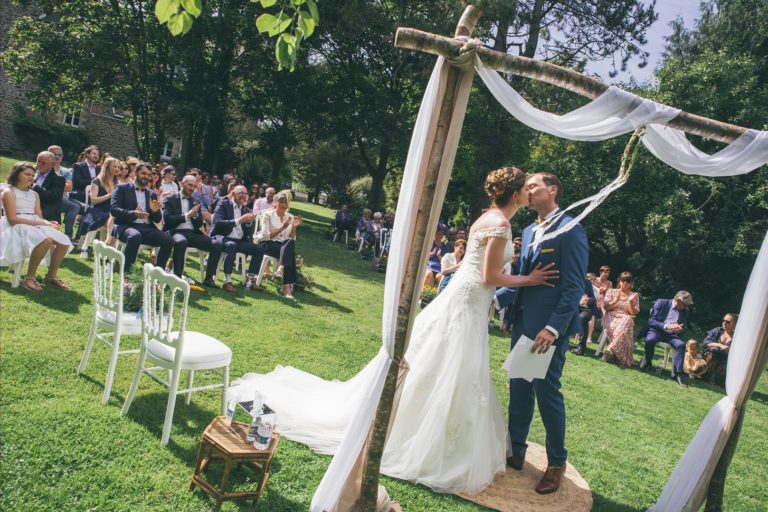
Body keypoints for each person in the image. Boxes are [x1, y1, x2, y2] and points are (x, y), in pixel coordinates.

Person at [231, 166, 558, 495]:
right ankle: (418, 436)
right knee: (450, 366)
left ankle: (426, 427)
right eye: (525, 189)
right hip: (469, 301)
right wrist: (529, 280)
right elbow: (488, 276)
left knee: (444, 367)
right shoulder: (500, 223)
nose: (529, 194)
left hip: (467, 301)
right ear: (515, 194)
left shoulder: (487, 218)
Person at [498, 172, 587, 495]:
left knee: (547, 394)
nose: (527, 191)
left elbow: (574, 286)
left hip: (547, 330)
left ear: (553, 189)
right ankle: (516, 452)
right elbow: (525, 275)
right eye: (526, 187)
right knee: (519, 389)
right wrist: (508, 310)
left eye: (532, 186)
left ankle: (556, 464)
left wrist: (553, 328)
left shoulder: (571, 230)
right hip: (523, 323)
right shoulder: (529, 229)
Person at [1, 162, 73, 291]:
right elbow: (12, 219)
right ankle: (29, 277)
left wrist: (49, 222)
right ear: (17, 174)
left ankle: (51, 276)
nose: (30, 177)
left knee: (63, 241)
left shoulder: (34, 194)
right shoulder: (9, 192)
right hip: (16, 226)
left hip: (34, 223)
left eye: (33, 175)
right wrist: (43, 223)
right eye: (27, 174)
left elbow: (38, 217)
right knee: (46, 240)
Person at [110, 163, 173, 274]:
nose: (147, 177)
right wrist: (134, 214)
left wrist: (155, 210)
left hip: (146, 228)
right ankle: (126, 274)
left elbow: (157, 219)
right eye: (144, 173)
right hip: (125, 225)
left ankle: (159, 274)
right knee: (135, 236)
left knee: (168, 240)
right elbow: (114, 210)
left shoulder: (152, 194)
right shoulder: (122, 188)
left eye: (149, 175)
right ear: (135, 173)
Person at [163, 175, 223, 287]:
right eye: (190, 185)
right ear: (182, 184)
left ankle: (209, 278)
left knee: (217, 244)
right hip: (176, 231)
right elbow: (168, 220)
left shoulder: (196, 201)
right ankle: (177, 277)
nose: (192, 188)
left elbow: (199, 224)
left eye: (194, 186)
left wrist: (195, 217)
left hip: (193, 233)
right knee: (181, 242)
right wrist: (188, 215)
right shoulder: (170, 199)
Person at [210, 185, 264, 293]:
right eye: (240, 193)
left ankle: (251, 279)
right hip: (223, 237)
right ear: (233, 194)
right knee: (232, 245)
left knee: (259, 249)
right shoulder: (223, 204)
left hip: (239, 240)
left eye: (245, 193)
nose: (243, 195)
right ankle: (227, 281)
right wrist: (239, 220)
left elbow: (248, 232)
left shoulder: (245, 209)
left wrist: (248, 223)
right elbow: (218, 222)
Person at [642, 290, 694, 387]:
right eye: (685, 305)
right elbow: (651, 321)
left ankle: (677, 375)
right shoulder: (661, 302)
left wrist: (680, 329)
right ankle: (648, 364)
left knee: (681, 345)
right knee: (650, 340)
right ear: (678, 301)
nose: (686, 307)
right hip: (657, 330)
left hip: (672, 335)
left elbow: (684, 326)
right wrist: (666, 326)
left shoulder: (685, 311)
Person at [258, 190, 302, 298]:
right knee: (290, 252)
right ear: (276, 202)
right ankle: (286, 287)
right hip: (268, 244)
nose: (283, 204)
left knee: (290, 243)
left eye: (285, 202)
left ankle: (280, 269)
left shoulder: (291, 216)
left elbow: (292, 239)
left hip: (283, 247)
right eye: (281, 202)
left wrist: (294, 229)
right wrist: (282, 227)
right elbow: (265, 236)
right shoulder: (267, 215)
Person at [76, 156, 121, 240]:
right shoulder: (97, 181)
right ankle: (107, 245)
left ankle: (109, 246)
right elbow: (93, 200)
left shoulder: (118, 183)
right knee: (115, 223)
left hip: (112, 211)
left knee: (119, 220)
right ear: (107, 167)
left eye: (118, 167)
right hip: (97, 210)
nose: (117, 169)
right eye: (114, 166)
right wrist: (109, 195)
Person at [601, 272, 640, 366]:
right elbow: (606, 308)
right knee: (628, 327)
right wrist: (616, 301)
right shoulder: (611, 291)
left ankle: (610, 349)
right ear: (619, 281)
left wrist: (630, 302)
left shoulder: (634, 295)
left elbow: (633, 313)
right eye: (623, 280)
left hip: (625, 318)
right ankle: (618, 356)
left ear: (631, 283)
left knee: (628, 320)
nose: (625, 283)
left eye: (628, 281)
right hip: (611, 317)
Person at [49, 145, 82, 240]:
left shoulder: (66, 171)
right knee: (74, 207)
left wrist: (55, 182)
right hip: (50, 197)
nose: (57, 157)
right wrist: (61, 182)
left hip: (63, 197)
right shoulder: (45, 168)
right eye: (54, 155)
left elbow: (69, 188)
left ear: (62, 156)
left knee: (81, 207)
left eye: (59, 155)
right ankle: (68, 235)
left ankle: (74, 236)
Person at [702, 312, 737, 385]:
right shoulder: (718, 331)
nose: (724, 323)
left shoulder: (737, 338)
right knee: (713, 351)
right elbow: (705, 342)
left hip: (725, 362)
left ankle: (715, 379)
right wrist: (720, 345)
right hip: (710, 360)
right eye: (723, 320)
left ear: (734, 324)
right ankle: (706, 375)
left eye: (727, 322)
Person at [32, 151, 65, 223]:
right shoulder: (31, 172)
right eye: (38, 161)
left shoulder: (58, 179)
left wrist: (34, 186)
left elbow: (52, 197)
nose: (39, 165)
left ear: (52, 165)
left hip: (45, 211)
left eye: (43, 163)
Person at [570, 277, 600, 356]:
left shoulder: (587, 282)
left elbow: (593, 299)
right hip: (571, 305)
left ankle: (581, 348)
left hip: (585, 308)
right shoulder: (569, 278)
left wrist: (587, 299)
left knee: (582, 318)